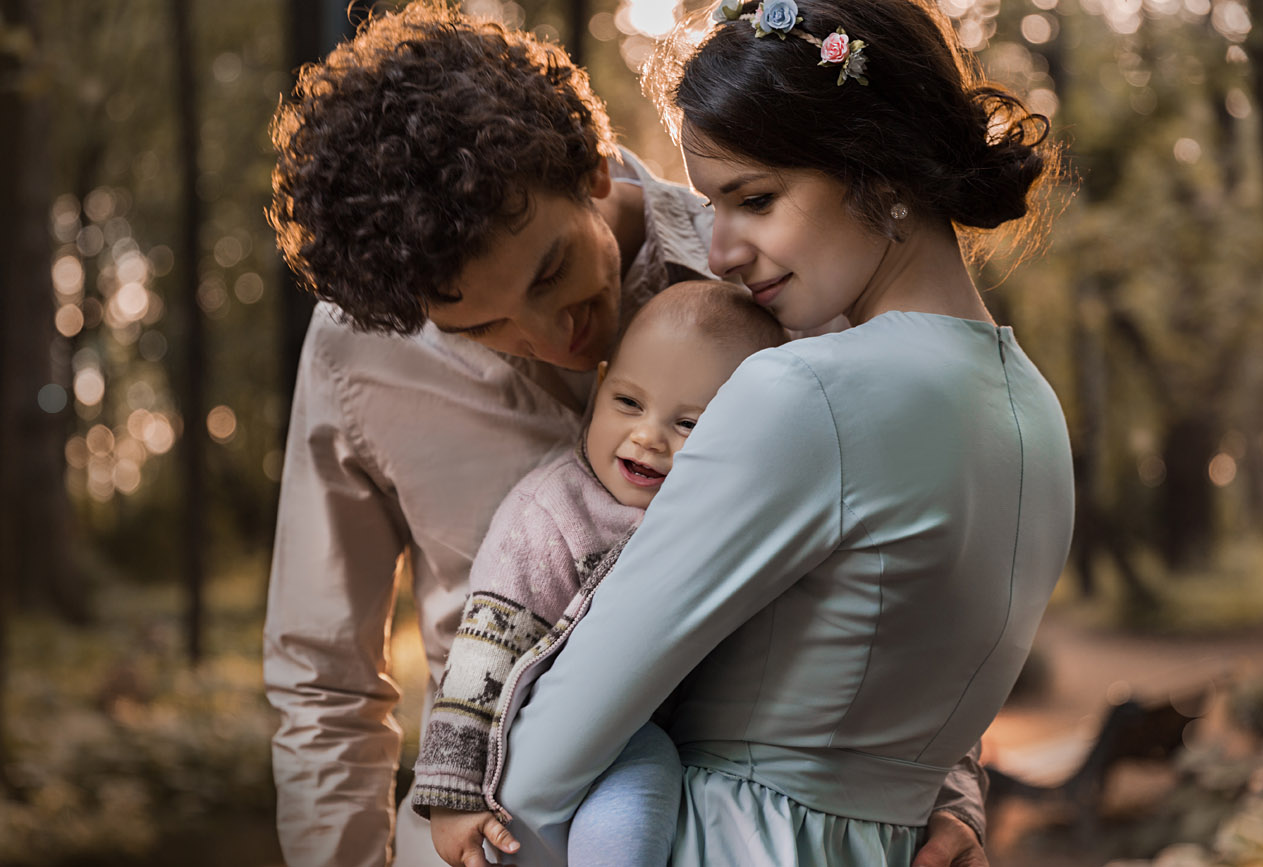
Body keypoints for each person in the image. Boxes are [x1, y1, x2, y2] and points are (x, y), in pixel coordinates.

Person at [263, 2, 992, 865]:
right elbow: (325, 682)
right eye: (479, 329)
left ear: (591, 172)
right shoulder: (360, 354)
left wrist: (948, 792)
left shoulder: (770, 276)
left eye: (551, 271)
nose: (545, 337)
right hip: (489, 838)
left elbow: (893, 578)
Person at [488, 0, 1075, 865]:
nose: (721, 249)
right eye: (712, 206)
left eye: (755, 199)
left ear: (881, 169)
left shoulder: (802, 394)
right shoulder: (1035, 412)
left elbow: (568, 729)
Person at [411, 280, 787, 867]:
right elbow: (482, 654)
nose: (648, 435)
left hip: (694, 740)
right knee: (645, 772)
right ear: (601, 384)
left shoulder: (727, 524)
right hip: (558, 731)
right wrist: (451, 792)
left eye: (689, 424)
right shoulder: (552, 513)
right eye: (628, 403)